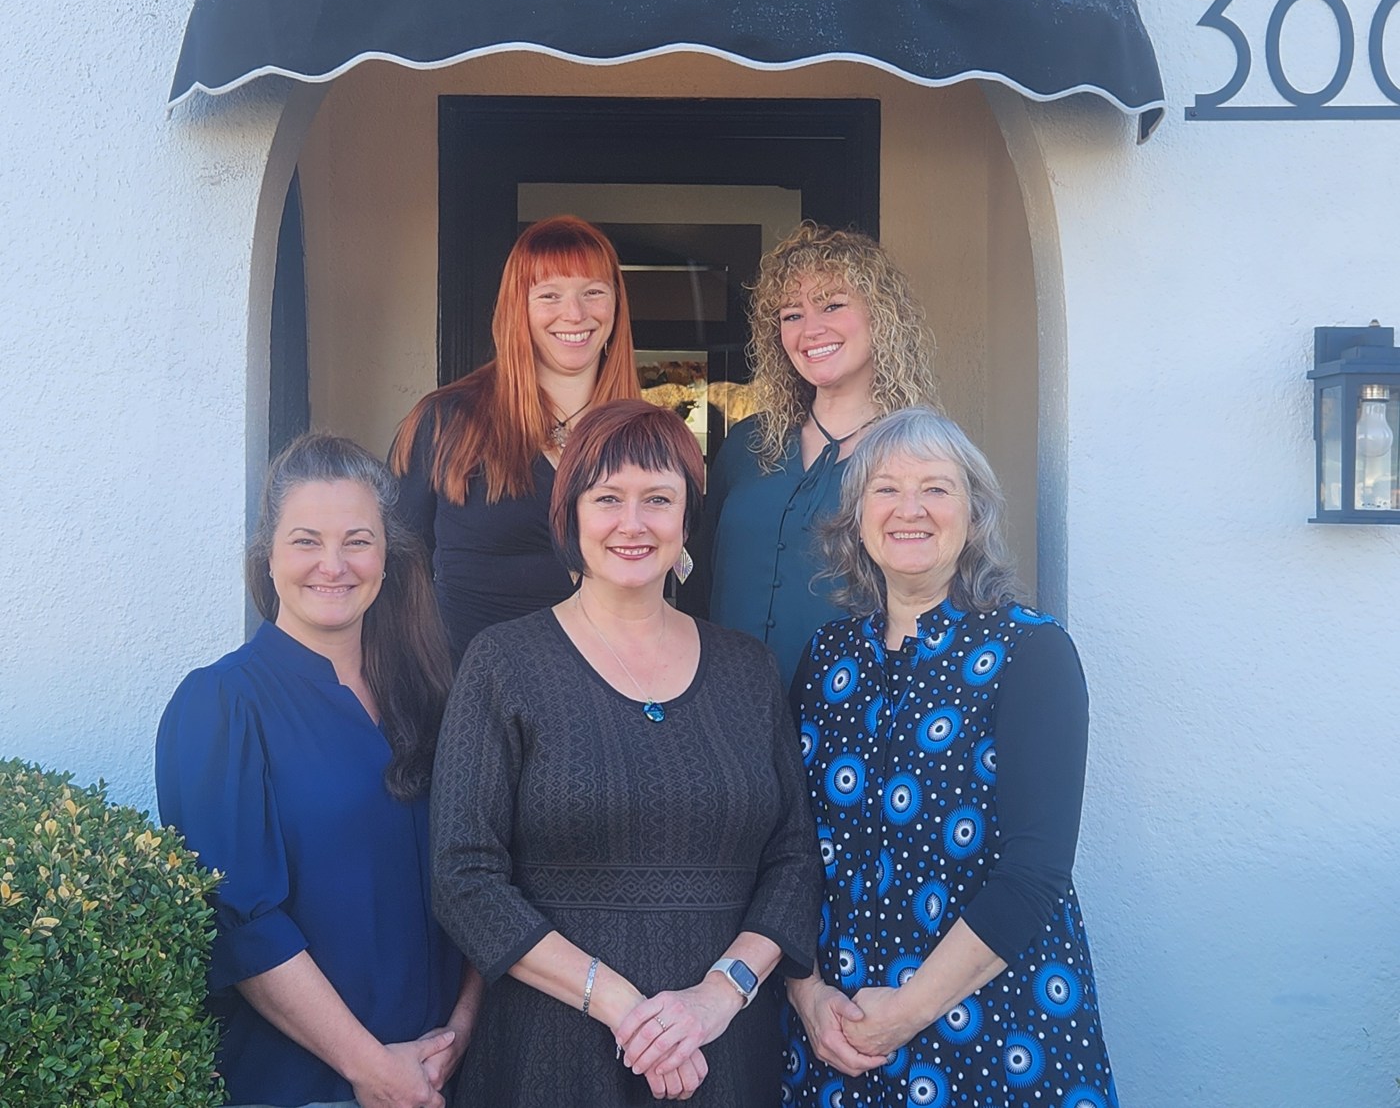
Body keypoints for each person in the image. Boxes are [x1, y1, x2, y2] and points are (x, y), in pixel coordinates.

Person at [431, 399, 821, 1107]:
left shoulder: (749, 669)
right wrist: (623, 1007)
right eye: (607, 497)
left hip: (722, 1053)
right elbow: (463, 877)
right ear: (570, 516)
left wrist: (716, 997)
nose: (633, 523)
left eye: (658, 499)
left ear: (687, 519)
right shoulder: (502, 663)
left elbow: (793, 858)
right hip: (548, 1058)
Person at [783, 408, 1118, 1107]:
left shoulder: (1032, 652)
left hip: (997, 1032)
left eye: (936, 487)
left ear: (974, 513)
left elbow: (1035, 873)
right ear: (856, 517)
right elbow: (788, 848)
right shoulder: (825, 659)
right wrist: (807, 993)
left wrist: (904, 1013)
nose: (910, 509)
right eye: (885, 489)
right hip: (839, 1035)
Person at [156, 433, 481, 1108]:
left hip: (448, 1076)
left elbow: (482, 871)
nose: (333, 565)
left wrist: (460, 1030)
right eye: (306, 540)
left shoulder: (431, 696)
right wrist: (372, 1068)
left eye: (357, 541)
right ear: (268, 554)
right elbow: (243, 922)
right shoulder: (221, 704)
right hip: (307, 1087)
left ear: (387, 555)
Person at [390, 215, 640, 665]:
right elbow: (396, 573)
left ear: (616, 305)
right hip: (472, 690)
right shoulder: (446, 423)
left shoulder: (644, 436)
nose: (575, 314)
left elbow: (674, 569)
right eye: (549, 295)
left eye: (593, 292)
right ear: (517, 308)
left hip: (608, 692)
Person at [697, 222, 937, 686]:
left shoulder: (919, 453)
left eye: (832, 305)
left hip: (854, 711)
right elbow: (701, 579)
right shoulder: (747, 444)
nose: (811, 330)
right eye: (792, 315)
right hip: (728, 706)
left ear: (881, 314)